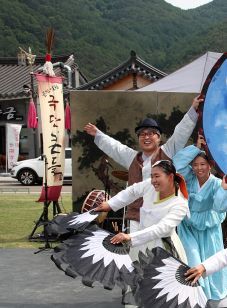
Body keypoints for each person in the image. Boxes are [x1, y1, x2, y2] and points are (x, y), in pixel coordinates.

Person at [94, 160, 191, 308]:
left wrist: (130, 237)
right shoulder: (149, 186)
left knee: (161, 292)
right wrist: (109, 205)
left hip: (164, 250)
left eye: (157, 176)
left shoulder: (180, 204)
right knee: (137, 288)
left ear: (170, 177)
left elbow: (162, 229)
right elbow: (130, 192)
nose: (153, 180)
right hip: (140, 247)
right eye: (152, 176)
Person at [84, 95, 203, 241]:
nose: (146, 137)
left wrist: (193, 109)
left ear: (158, 138)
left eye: (150, 133)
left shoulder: (167, 152)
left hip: (161, 212)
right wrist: (98, 134)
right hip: (136, 213)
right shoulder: (132, 157)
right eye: (142, 134)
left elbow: (180, 133)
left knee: (160, 252)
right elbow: (115, 147)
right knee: (136, 251)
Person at [173, 136, 227, 301]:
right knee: (192, 257)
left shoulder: (216, 183)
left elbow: (220, 208)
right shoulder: (189, 178)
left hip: (209, 226)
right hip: (189, 226)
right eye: (195, 164)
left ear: (210, 166)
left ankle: (211, 292)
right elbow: (176, 165)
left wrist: (223, 190)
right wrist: (196, 148)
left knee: (210, 258)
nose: (199, 168)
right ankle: (195, 292)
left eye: (202, 164)